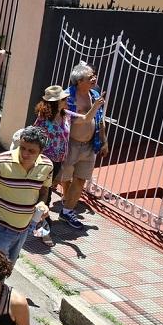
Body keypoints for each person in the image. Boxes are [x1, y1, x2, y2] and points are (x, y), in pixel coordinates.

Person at [0, 126, 54, 264]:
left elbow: (44, 190)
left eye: (31, 151)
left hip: (24, 229)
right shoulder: (0, 161)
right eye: (22, 148)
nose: (25, 154)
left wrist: (42, 203)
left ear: (41, 151)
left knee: (8, 266)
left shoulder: (47, 166)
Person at [58, 64, 109, 229]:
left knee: (80, 179)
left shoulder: (94, 95)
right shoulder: (67, 97)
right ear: (79, 81)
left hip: (89, 145)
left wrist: (104, 141)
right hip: (70, 144)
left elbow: (99, 120)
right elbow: (74, 120)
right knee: (64, 177)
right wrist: (93, 109)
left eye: (94, 75)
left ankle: (67, 211)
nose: (94, 79)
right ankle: (64, 202)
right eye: (90, 77)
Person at [34, 84, 105, 197]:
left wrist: (95, 106)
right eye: (64, 99)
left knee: (48, 187)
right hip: (44, 159)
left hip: (58, 160)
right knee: (41, 188)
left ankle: (42, 210)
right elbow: (35, 135)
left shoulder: (66, 115)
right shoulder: (43, 117)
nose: (67, 100)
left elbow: (86, 118)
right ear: (57, 102)